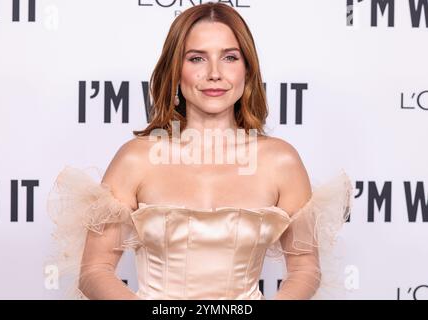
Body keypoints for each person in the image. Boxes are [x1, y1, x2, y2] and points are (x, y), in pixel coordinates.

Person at [46, 2, 353, 300]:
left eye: (230, 57)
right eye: (197, 58)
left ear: (247, 68)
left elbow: (305, 270)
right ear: (176, 70)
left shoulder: (281, 161)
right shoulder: (136, 159)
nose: (214, 73)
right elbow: (94, 270)